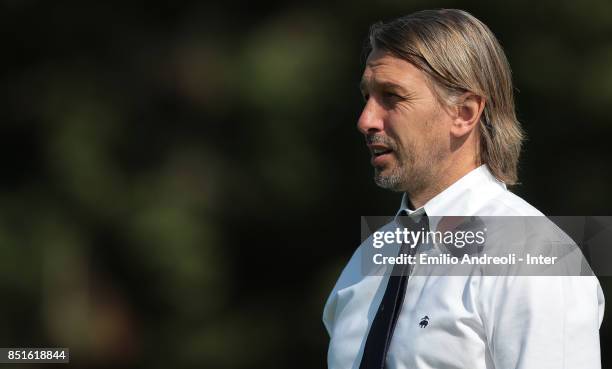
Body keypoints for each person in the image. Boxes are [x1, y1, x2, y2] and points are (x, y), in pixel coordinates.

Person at [322, 9, 605, 369]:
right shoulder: (364, 264)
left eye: (392, 97)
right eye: (367, 97)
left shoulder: (535, 257)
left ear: (465, 113)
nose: (365, 120)